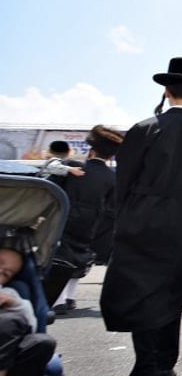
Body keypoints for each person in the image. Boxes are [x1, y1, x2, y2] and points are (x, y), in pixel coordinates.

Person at [100, 58, 182, 376]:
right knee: (174, 291)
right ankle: (165, 367)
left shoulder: (144, 128)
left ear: (166, 91)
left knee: (143, 292)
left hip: (145, 216)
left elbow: (124, 181)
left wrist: (123, 221)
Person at [43, 125, 124, 312]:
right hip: (92, 224)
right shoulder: (112, 178)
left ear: (92, 150)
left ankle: (58, 301)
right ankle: (70, 298)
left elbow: (52, 182)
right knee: (79, 258)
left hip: (65, 218)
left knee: (60, 258)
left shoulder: (74, 167)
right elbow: (112, 207)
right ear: (111, 156)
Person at [0, 245, 56, 376]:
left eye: (7, 273)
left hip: (7, 344)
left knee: (40, 342)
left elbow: (31, 324)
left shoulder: (12, 293)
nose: (2, 272)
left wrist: (12, 302)